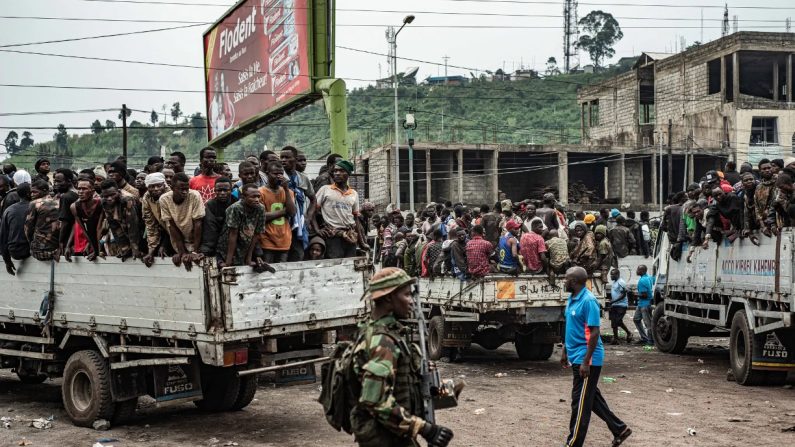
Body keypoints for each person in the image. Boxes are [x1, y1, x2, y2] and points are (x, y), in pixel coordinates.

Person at [351, 267, 454, 447]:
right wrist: (424, 428)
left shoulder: (386, 334)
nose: (411, 302)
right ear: (390, 297)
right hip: (385, 438)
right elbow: (375, 400)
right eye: (406, 295)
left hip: (394, 435)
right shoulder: (383, 341)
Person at [561, 266, 631, 447]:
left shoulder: (588, 301)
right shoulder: (572, 299)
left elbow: (594, 333)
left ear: (575, 282)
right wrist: (565, 351)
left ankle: (573, 443)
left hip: (587, 359)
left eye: (566, 278)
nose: (564, 281)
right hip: (576, 356)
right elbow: (570, 327)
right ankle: (620, 429)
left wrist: (586, 362)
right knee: (591, 399)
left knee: (580, 405)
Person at [314, 159, 367, 258]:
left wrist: (362, 242)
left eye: (341, 171)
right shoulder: (325, 189)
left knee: (350, 264)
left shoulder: (354, 193)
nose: (337, 173)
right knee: (335, 265)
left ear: (348, 174)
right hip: (333, 236)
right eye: (335, 171)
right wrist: (318, 230)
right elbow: (312, 211)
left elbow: (355, 219)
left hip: (350, 235)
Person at [159, 173, 205, 270]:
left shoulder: (195, 196)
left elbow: (198, 224)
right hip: (179, 238)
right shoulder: (164, 199)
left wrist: (195, 251)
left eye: (186, 189)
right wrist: (182, 251)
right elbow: (171, 226)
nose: (185, 192)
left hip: (197, 238)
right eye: (181, 189)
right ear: (172, 188)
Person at [216, 183, 267, 268]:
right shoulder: (235, 208)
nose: (257, 199)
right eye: (253, 197)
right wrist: (228, 262)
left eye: (258, 196)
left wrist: (249, 258)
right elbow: (233, 234)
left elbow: (257, 234)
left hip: (245, 245)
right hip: (228, 247)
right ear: (243, 197)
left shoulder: (260, 208)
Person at [281, 146, 317, 262]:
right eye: (282, 157)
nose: (283, 160)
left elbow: (313, 199)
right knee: (282, 256)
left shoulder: (303, 178)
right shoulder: (278, 176)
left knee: (298, 254)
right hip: (282, 222)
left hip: (299, 225)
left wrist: (308, 218)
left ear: (295, 159)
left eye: (287, 157)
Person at [259, 161, 296, 263]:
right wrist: (284, 211)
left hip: (284, 240)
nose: (279, 177)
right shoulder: (260, 192)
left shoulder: (288, 192)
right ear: (267, 173)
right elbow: (261, 217)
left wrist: (286, 189)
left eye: (281, 174)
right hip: (266, 240)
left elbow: (292, 212)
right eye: (275, 174)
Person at [98, 179, 141, 259]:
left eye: (112, 195)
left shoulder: (127, 199)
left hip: (140, 228)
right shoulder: (104, 201)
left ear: (118, 191)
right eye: (106, 196)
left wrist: (135, 248)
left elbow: (133, 226)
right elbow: (114, 226)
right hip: (124, 227)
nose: (109, 198)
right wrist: (124, 247)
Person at [200, 177, 236, 259]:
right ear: (215, 190)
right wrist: (205, 251)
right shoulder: (210, 205)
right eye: (219, 190)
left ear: (231, 190)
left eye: (226, 190)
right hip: (217, 243)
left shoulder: (238, 204)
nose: (222, 193)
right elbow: (210, 230)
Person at [141, 173, 172, 267]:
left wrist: (164, 245)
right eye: (152, 186)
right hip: (164, 230)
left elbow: (174, 224)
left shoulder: (171, 195)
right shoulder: (147, 198)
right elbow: (150, 225)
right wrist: (151, 250)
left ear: (164, 185)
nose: (156, 189)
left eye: (159, 186)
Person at [68, 178, 103, 261]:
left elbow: (100, 228)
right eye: (79, 189)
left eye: (84, 189)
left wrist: (96, 250)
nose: (80, 191)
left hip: (103, 237)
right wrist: (68, 246)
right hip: (90, 236)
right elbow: (84, 229)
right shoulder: (74, 207)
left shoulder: (101, 204)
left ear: (92, 191)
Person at [24, 180, 60, 261]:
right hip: (57, 249)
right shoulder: (58, 202)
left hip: (39, 251)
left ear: (44, 191)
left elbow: (27, 228)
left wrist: (30, 242)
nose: (32, 195)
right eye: (31, 192)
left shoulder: (35, 203)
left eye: (34, 192)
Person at [1, 183, 31, 275]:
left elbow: (3, 237)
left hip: (14, 251)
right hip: (28, 250)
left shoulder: (8, 210)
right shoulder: (34, 208)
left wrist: (7, 261)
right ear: (29, 194)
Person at [608, 269, 632, 345]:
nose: (611, 276)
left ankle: (629, 333)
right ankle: (616, 339)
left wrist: (613, 301)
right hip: (614, 305)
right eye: (611, 274)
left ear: (617, 274)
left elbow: (623, 295)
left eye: (612, 274)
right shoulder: (615, 282)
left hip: (621, 305)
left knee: (618, 321)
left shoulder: (621, 282)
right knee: (613, 322)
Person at [754, 159, 777, 237]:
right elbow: (757, 208)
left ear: (772, 168)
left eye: (769, 168)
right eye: (764, 169)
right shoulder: (759, 187)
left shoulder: (779, 182)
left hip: (779, 223)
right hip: (765, 225)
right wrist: (763, 226)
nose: (767, 170)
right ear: (760, 171)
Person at [634, 265, 655, 346]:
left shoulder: (642, 280)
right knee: (636, 319)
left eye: (638, 269)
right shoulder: (648, 277)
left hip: (644, 305)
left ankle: (650, 340)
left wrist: (635, 294)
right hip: (642, 304)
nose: (636, 271)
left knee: (648, 323)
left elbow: (645, 295)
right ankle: (644, 338)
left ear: (642, 271)